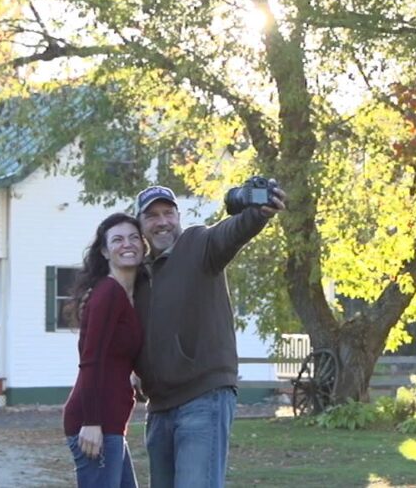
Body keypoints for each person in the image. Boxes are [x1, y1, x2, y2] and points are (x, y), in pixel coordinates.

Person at [132, 183, 285, 487]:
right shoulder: (138, 274)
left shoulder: (199, 244)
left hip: (203, 398)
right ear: (140, 225)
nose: (162, 222)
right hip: (159, 408)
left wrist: (258, 212)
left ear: (178, 216)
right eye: (152, 216)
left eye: (168, 213)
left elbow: (232, 231)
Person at [62, 213, 148, 488]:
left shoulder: (129, 294)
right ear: (104, 251)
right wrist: (91, 422)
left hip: (112, 422)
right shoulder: (108, 292)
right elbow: (90, 359)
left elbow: (116, 357)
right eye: (118, 239)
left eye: (134, 237)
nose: (127, 244)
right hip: (94, 421)